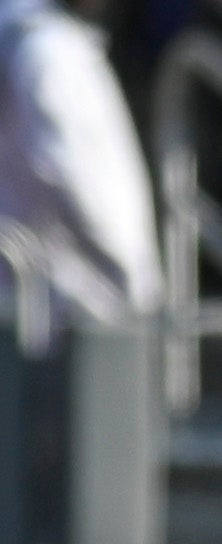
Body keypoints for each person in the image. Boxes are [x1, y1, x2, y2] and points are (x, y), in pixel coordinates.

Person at [0, 0, 160, 326]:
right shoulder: (45, 49)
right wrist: (134, 273)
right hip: (68, 304)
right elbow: (65, 171)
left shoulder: (45, 40)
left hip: (63, 301)